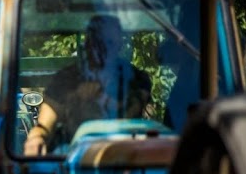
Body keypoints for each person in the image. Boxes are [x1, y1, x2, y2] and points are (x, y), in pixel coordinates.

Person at [24, 14, 153, 155]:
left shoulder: (136, 78)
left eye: (109, 42)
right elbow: (44, 126)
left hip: (126, 157)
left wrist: (99, 96)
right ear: (88, 44)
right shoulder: (66, 78)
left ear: (119, 45)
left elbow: (132, 112)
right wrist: (36, 138)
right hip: (73, 156)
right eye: (98, 42)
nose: (103, 49)